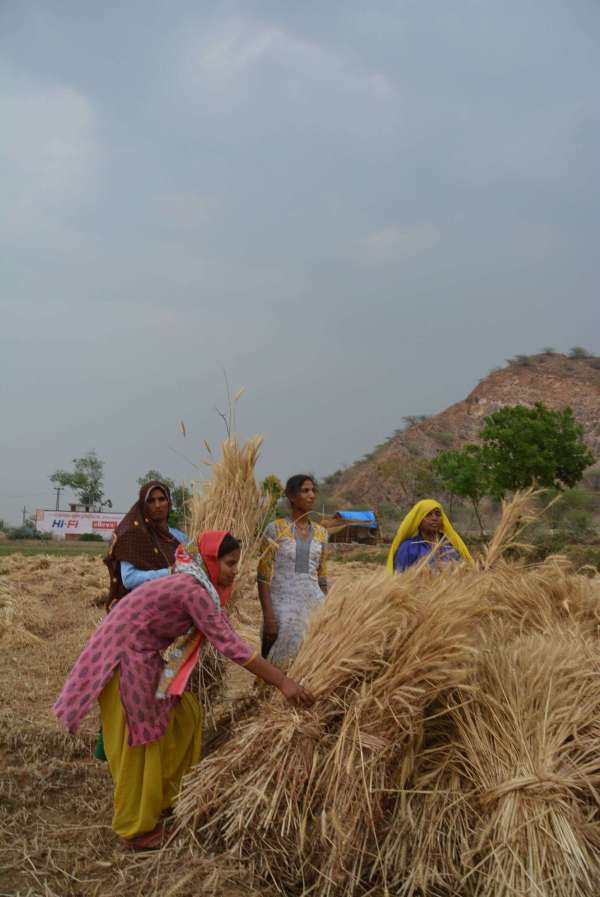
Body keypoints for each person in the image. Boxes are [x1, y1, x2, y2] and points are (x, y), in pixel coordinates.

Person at [54, 531, 314, 851]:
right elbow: (231, 645)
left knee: (184, 714)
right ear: (210, 560)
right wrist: (283, 682)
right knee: (141, 741)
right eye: (230, 563)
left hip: (137, 655)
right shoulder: (193, 591)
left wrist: (169, 679)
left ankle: (165, 798)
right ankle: (135, 829)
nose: (235, 570)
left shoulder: (191, 583)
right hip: (126, 661)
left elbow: (184, 640)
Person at [257, 475, 328, 667]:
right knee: (277, 660)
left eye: (313, 490)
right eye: (305, 491)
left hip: (314, 603)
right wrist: (269, 615)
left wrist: (328, 610)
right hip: (282, 606)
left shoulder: (322, 533)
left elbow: (322, 577)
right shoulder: (275, 529)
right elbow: (262, 576)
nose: (311, 495)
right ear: (291, 495)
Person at [104, 480, 187, 610]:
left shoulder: (180, 537)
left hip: (177, 602)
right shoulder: (133, 535)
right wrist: (169, 572)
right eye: (151, 501)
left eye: (162, 499)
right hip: (143, 606)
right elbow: (129, 579)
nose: (157, 505)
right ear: (143, 505)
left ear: (169, 503)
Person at [386, 499, 473, 573]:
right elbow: (399, 579)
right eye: (428, 515)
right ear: (418, 520)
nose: (434, 518)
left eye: (438, 514)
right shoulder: (408, 547)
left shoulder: (450, 548)